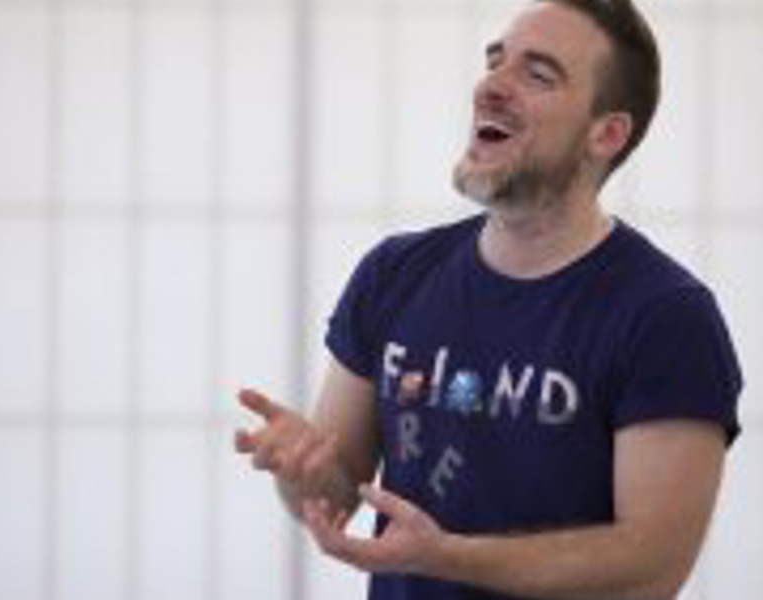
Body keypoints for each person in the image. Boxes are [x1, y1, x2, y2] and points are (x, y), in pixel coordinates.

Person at [235, 0, 743, 598]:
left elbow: (651, 569)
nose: (491, 87)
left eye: (537, 74)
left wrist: (447, 557)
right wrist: (303, 472)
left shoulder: (666, 316)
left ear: (605, 133)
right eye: (495, 62)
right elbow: (336, 494)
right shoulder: (394, 273)